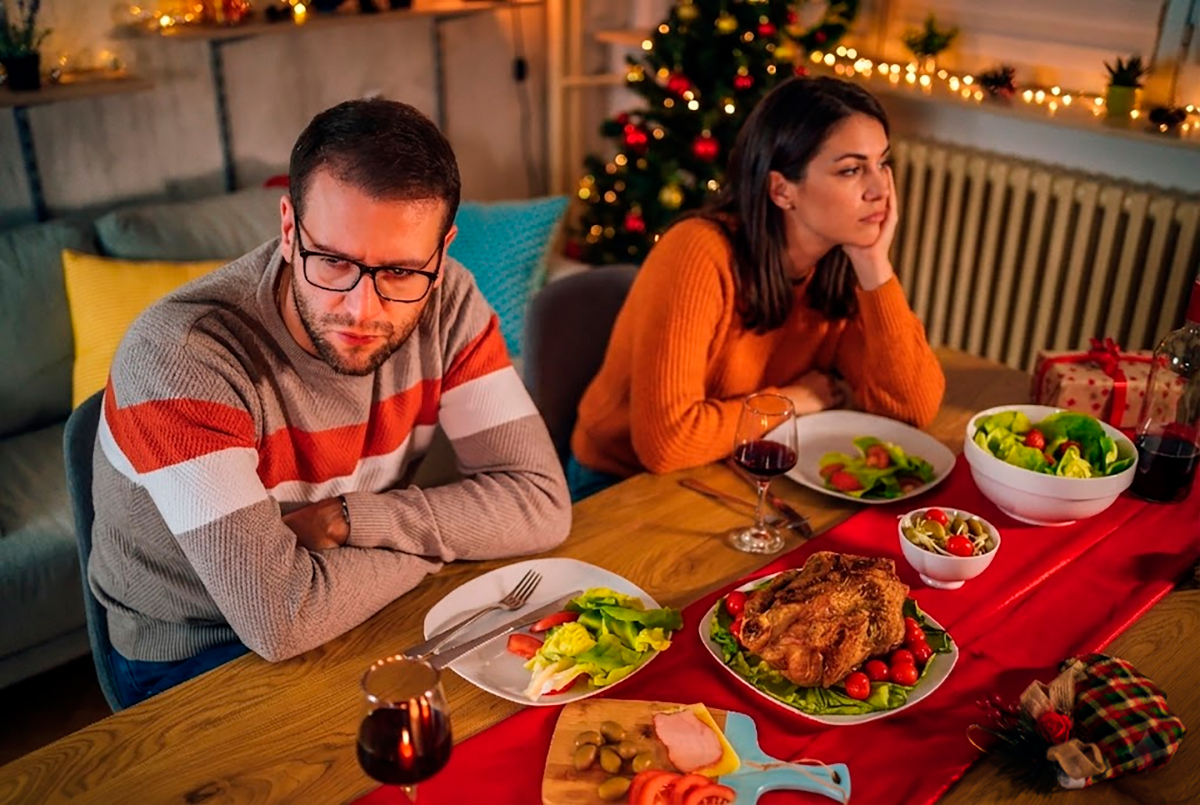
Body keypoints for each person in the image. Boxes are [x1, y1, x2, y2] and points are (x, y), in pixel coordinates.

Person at [89, 99, 571, 707]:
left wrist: (355, 519)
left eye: (399, 271)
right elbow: (281, 618)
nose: (362, 309)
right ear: (290, 230)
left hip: (350, 598)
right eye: (335, 262)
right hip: (198, 655)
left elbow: (542, 503)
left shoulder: (447, 301)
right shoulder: (182, 354)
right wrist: (445, 539)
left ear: (442, 252)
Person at [569, 76, 945, 500]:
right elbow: (665, 445)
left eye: (882, 163)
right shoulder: (698, 252)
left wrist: (875, 266)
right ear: (782, 190)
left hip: (735, 469)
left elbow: (911, 410)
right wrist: (793, 400)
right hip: (621, 485)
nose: (880, 190)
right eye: (852, 170)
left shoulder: (842, 260)